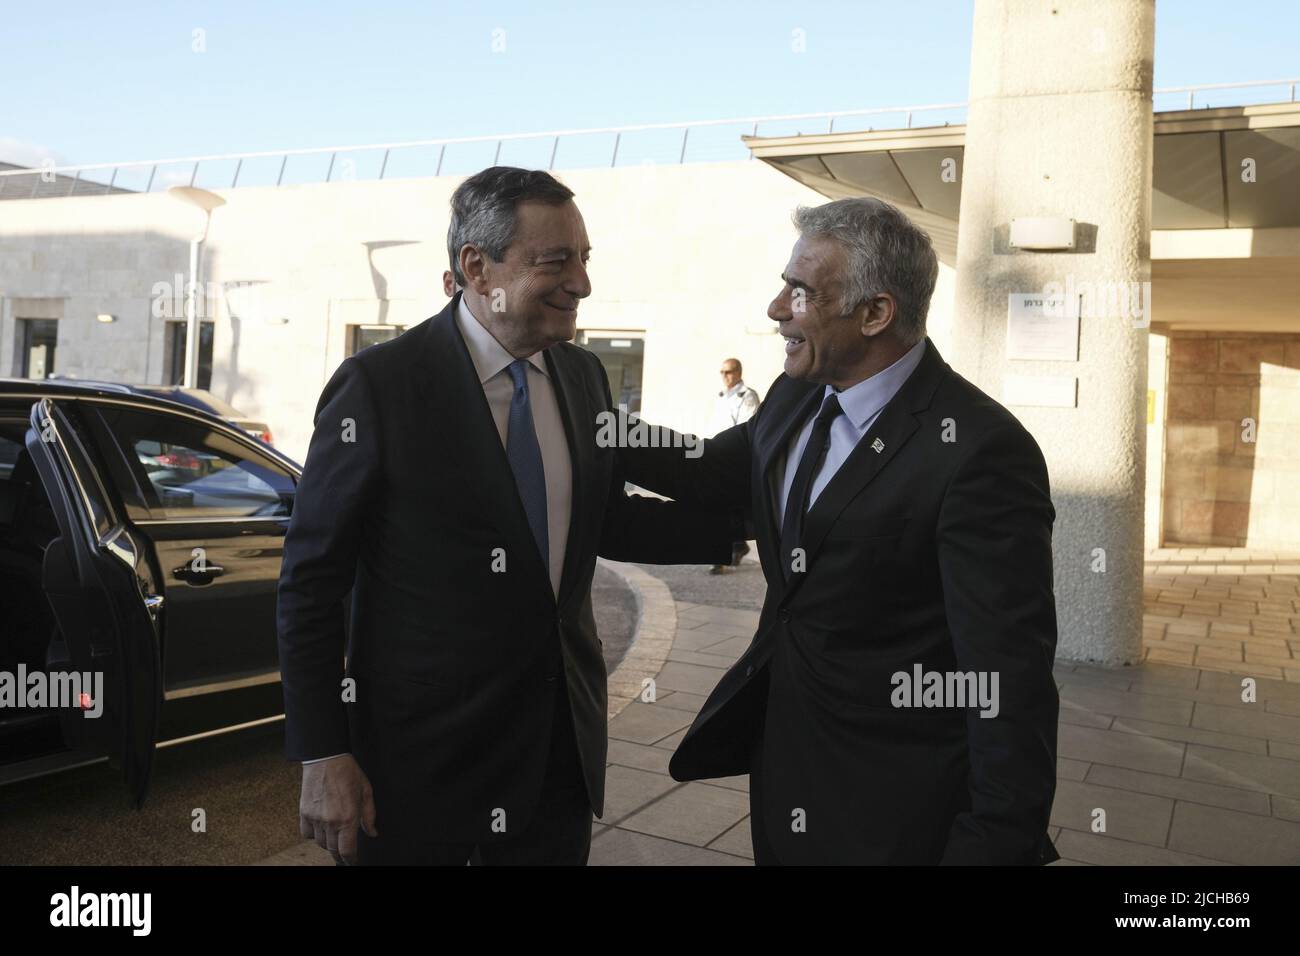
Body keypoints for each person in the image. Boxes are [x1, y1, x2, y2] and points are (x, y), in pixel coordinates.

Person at [277, 166, 734, 866]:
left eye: (584, 259)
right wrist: (321, 751)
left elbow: (606, 522)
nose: (581, 283)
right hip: (418, 773)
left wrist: (750, 524)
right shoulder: (382, 388)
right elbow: (310, 583)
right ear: (475, 266)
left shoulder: (582, 378)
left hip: (558, 760)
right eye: (556, 261)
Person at [618, 197, 1060, 865]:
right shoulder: (798, 395)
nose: (775, 309)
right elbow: (710, 471)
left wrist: (994, 842)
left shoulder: (978, 450)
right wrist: (586, 425)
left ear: (875, 313)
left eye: (799, 292)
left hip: (897, 811)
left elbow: (1006, 679)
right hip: (785, 776)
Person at [708, 358, 760, 574]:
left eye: (728, 372)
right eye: (721, 372)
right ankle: (735, 546)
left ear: (738, 372)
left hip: (734, 456)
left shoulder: (747, 395)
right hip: (717, 454)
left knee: (725, 504)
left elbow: (745, 426)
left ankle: (722, 555)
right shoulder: (721, 396)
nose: (725, 376)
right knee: (724, 504)